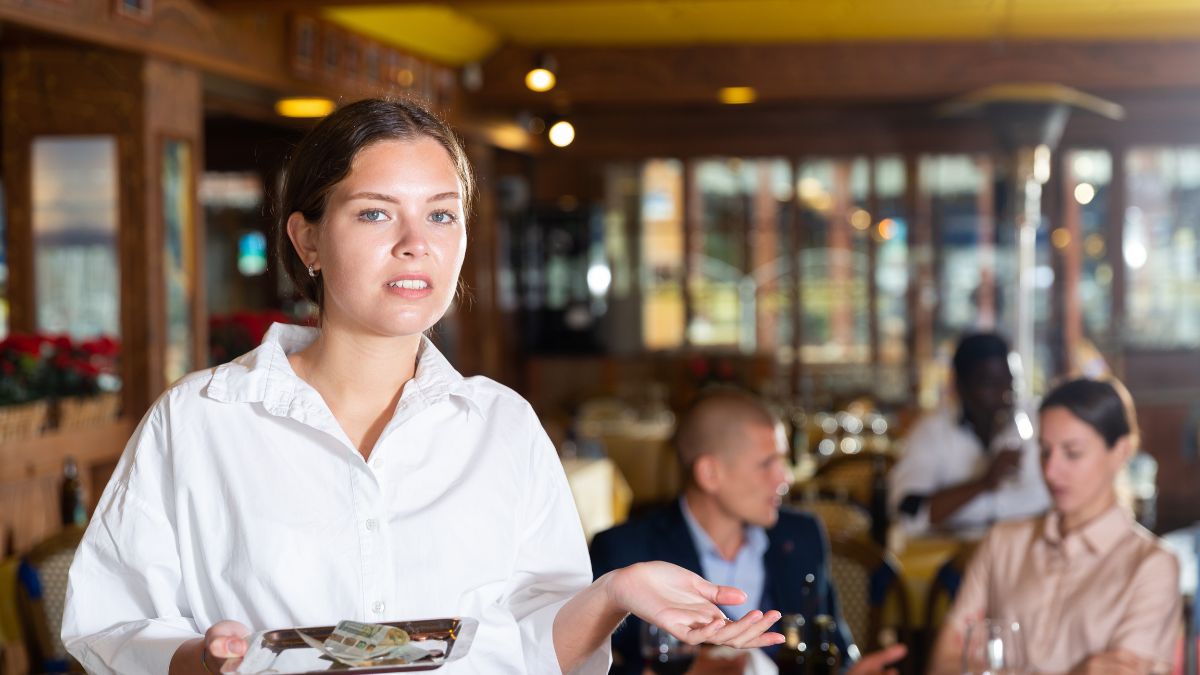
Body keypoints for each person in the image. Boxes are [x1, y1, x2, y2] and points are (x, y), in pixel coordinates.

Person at [60, 99, 784, 675]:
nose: (417, 242)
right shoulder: (200, 419)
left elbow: (536, 655)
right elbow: (107, 623)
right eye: (375, 212)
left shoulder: (502, 425)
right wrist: (201, 661)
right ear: (308, 240)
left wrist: (613, 593)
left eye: (441, 213)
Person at [590, 388, 906, 675]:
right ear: (710, 473)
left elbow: (830, 644)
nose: (785, 478)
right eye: (768, 463)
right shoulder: (625, 552)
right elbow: (582, 664)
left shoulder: (801, 535)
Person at [930, 378, 1181, 675]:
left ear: (1121, 451)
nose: (1050, 471)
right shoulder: (1004, 542)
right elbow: (942, 664)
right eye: (1045, 451)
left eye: (1072, 452)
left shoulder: (1150, 566)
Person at [888, 333, 1050, 535]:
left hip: (1028, 546)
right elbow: (910, 512)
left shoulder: (1037, 422)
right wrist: (984, 482)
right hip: (955, 554)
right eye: (990, 384)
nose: (1003, 393)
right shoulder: (931, 432)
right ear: (960, 387)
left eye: (1008, 383)